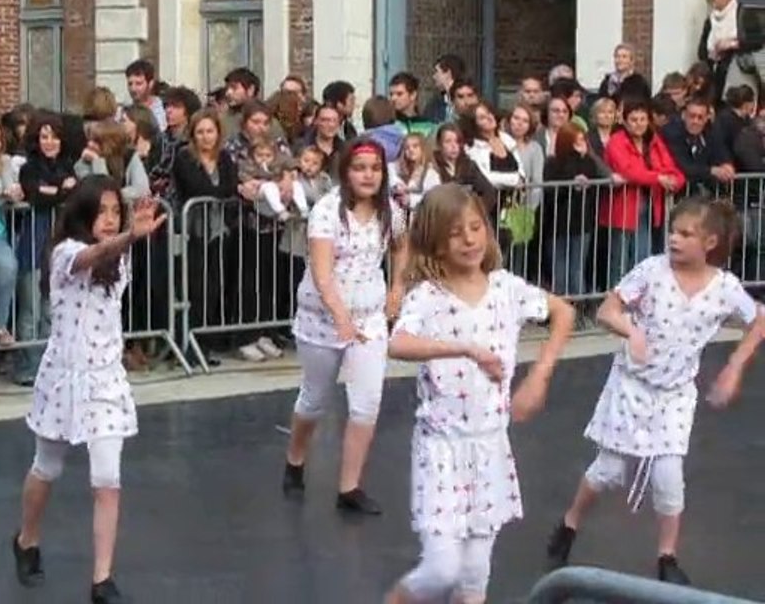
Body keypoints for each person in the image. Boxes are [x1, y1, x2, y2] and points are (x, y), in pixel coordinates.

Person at [546, 198, 765, 585]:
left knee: (668, 475)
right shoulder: (652, 270)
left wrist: (734, 366)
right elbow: (606, 310)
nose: (674, 239)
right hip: (631, 386)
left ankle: (667, 557)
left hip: (674, 395)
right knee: (608, 471)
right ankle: (569, 524)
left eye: (686, 234)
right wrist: (632, 331)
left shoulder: (725, 288)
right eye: (673, 232)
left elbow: (759, 321)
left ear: (710, 242)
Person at [384, 184, 574, 604]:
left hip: (489, 446)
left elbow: (563, 311)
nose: (469, 240)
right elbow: (399, 343)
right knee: (440, 569)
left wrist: (540, 375)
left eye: (475, 228)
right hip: (441, 448)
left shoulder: (505, 288)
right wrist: (464, 349)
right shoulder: (428, 297)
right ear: (435, 240)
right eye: (455, 233)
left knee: (474, 577)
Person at [11, 177, 165, 604]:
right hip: (64, 377)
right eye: (102, 211)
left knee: (107, 480)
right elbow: (89, 256)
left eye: (116, 211)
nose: (110, 219)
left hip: (105, 378)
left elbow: (109, 258)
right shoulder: (65, 252)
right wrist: (129, 236)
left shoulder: (120, 258)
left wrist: (128, 239)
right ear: (83, 214)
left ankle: (102, 579)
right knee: (47, 467)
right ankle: (26, 539)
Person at [282, 137, 409, 515]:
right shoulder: (327, 211)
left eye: (375, 169)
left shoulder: (390, 210)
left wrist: (397, 287)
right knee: (315, 398)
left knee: (367, 402)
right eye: (359, 168)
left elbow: (402, 245)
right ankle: (295, 458)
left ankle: (349, 486)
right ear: (346, 172)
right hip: (323, 319)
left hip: (369, 316)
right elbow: (322, 272)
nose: (368, 176)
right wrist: (340, 317)